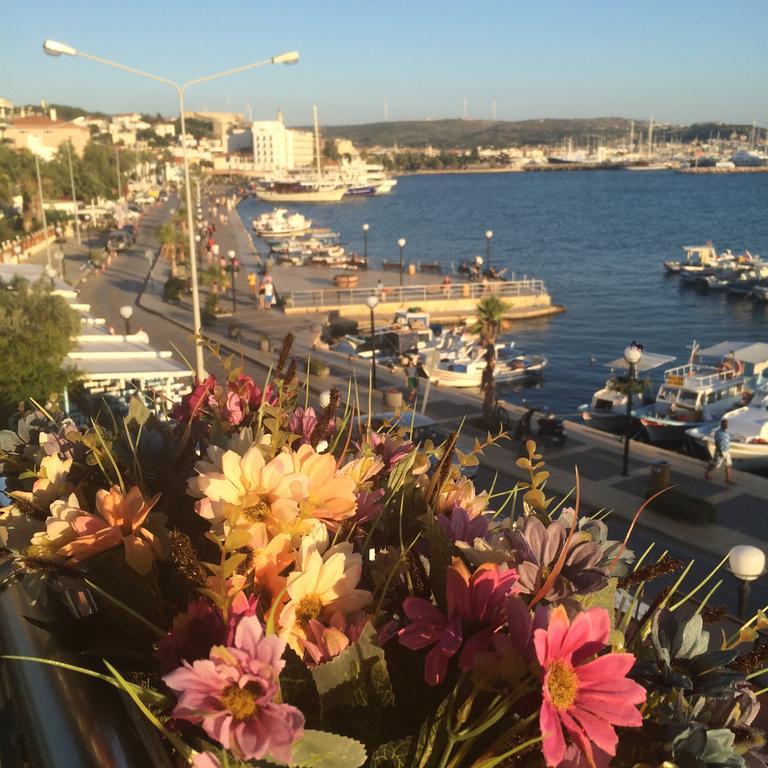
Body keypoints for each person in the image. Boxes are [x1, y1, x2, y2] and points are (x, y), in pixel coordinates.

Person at [704, 418, 735, 484]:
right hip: (720, 451)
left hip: (727, 451)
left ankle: (728, 479)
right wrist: (720, 452)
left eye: (727, 424)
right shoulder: (718, 433)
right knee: (716, 465)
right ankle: (707, 473)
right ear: (721, 425)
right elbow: (717, 443)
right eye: (725, 424)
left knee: (728, 465)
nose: (726, 425)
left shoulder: (726, 432)